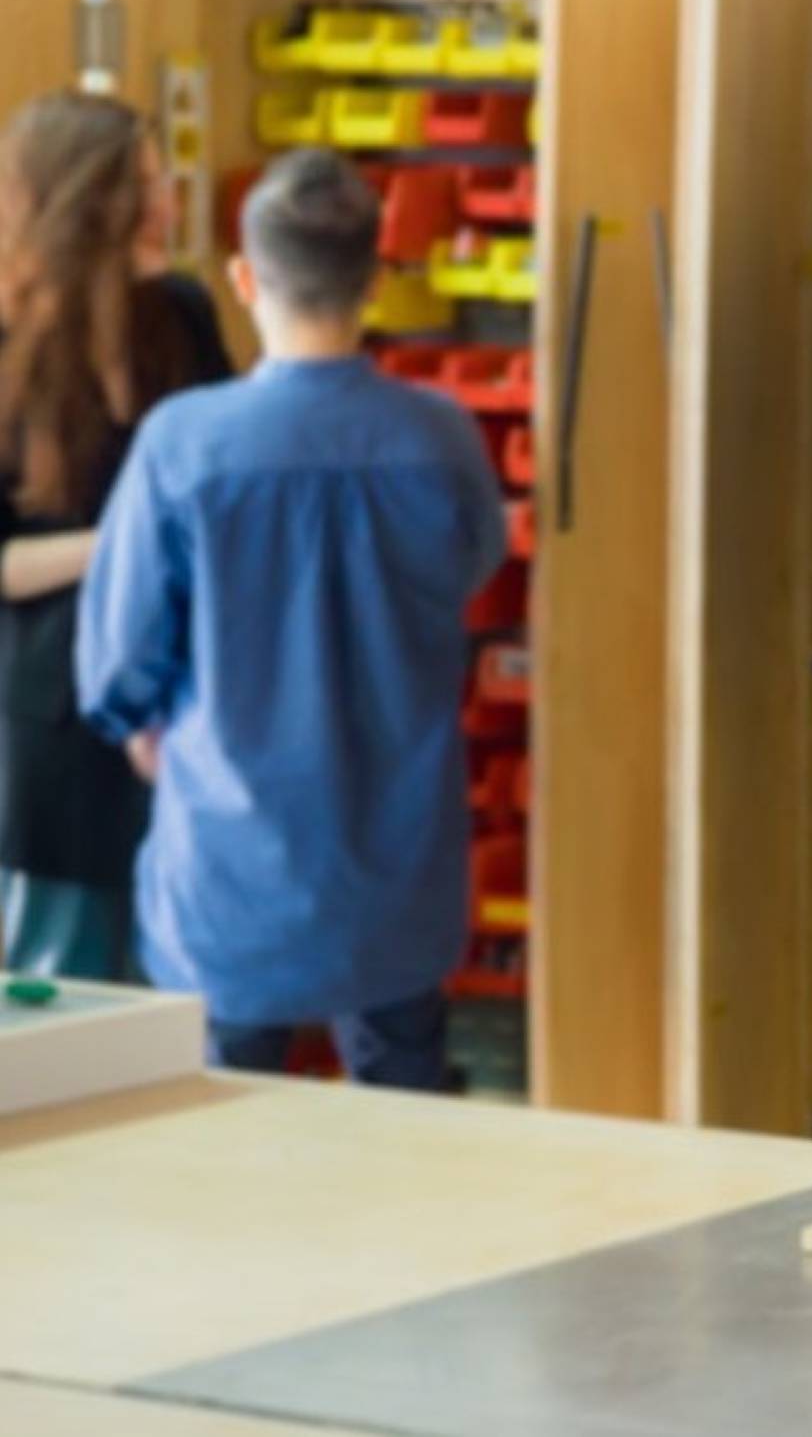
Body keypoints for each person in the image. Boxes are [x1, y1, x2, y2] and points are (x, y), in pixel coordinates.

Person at [77, 150, 504, 1087]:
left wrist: (144, 728)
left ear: (243, 278)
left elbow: (119, 664)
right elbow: (473, 567)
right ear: (376, 277)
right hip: (398, 860)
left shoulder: (184, 444)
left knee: (224, 1126)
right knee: (407, 1123)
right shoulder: (440, 436)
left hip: (228, 873)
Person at [0, 91, 230, 982]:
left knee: (183, 1000)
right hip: (56, 732)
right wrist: (128, 539)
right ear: (83, 206)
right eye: (146, 185)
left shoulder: (183, 313)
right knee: (67, 994)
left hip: (184, 707)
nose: (169, 202)